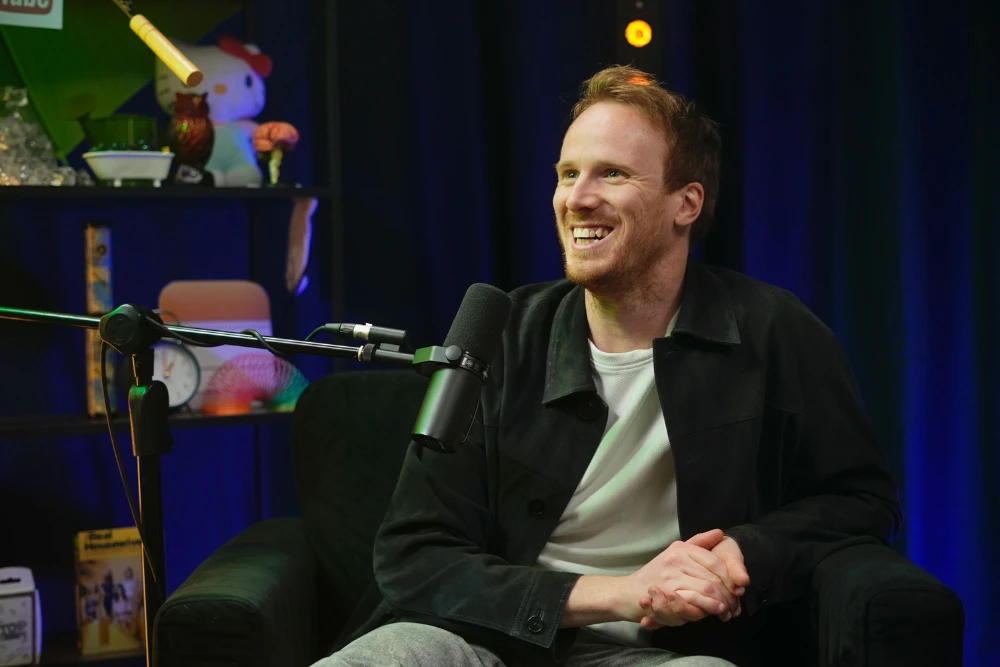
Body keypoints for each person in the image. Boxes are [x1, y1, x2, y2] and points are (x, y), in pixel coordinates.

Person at [314, 65, 901, 666]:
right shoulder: (504, 332)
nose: (578, 199)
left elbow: (859, 500)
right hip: (486, 642)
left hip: (666, 655)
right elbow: (414, 553)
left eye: (612, 174)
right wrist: (617, 594)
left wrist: (744, 553)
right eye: (568, 175)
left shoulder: (774, 331)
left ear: (686, 203)